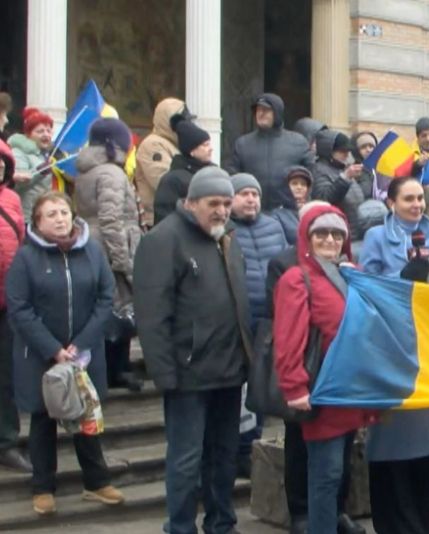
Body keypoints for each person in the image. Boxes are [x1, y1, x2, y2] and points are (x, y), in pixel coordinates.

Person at [133, 167, 252, 534]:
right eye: (213, 203)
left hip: (229, 371)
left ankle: (221, 523)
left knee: (224, 456)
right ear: (190, 203)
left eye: (226, 203)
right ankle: (181, 526)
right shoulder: (163, 240)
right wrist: (165, 374)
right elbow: (152, 316)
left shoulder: (226, 237)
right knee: (186, 460)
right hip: (188, 375)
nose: (221, 211)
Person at [6, 191, 124, 515]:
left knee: (86, 416)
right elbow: (19, 308)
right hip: (41, 355)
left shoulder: (92, 251)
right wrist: (53, 349)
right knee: (43, 420)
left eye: (63, 212)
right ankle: (43, 487)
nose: (60, 219)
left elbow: (106, 298)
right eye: (51, 214)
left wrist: (83, 342)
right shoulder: (26, 258)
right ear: (38, 222)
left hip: (84, 353)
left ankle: (96, 482)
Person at [273, 204, 375, 534]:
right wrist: (294, 386)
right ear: (307, 237)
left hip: (351, 391)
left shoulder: (350, 274)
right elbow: (289, 338)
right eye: (321, 233)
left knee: (338, 473)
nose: (330, 240)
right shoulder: (296, 279)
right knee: (325, 475)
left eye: (336, 234)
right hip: (323, 391)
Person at [359, 176, 429, 534]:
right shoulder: (376, 237)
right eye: (409, 199)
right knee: (394, 442)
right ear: (391, 203)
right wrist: (404, 277)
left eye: (420, 198)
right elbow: (367, 287)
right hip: (392, 348)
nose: (417, 204)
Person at [74, 118, 143, 392]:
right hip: (111, 246)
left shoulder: (86, 171)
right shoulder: (111, 174)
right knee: (120, 307)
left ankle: (109, 369)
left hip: (91, 244)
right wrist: (123, 260)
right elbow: (111, 220)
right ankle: (116, 370)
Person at [229, 172, 287, 478]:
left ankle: (254, 448)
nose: (251, 199)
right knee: (241, 391)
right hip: (240, 320)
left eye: (255, 194)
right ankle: (240, 450)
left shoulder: (273, 226)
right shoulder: (227, 231)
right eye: (244, 194)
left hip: (272, 318)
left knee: (262, 385)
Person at [0, 139, 31, 473]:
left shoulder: (11, 199)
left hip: (6, 301)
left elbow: (20, 244)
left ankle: (6, 441)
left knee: (5, 376)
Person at [228, 93, 314, 211]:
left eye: (266, 110)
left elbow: (311, 176)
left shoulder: (298, 142)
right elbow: (232, 176)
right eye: (258, 110)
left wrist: (305, 201)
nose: (261, 113)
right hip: (252, 211)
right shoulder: (242, 144)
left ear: (277, 113)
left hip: (288, 212)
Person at [134, 97, 193, 229]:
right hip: (157, 220)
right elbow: (165, 181)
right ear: (170, 123)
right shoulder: (152, 145)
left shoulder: (175, 144)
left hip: (176, 217)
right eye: (184, 122)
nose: (188, 126)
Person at [153, 119, 214, 225]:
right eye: (205, 145)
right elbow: (164, 218)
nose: (211, 149)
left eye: (209, 144)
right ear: (192, 151)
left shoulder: (215, 173)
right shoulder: (172, 180)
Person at [310, 130, 365, 232]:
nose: (346, 155)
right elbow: (324, 199)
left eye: (348, 151)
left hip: (354, 229)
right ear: (329, 151)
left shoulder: (342, 169)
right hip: (338, 231)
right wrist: (345, 178)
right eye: (342, 151)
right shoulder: (318, 170)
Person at [8, 107, 55, 221]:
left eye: (48, 131)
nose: (46, 134)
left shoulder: (44, 154)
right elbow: (17, 185)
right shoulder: (18, 153)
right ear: (28, 134)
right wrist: (40, 172)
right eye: (40, 131)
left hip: (42, 215)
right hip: (26, 216)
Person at [270, 166, 313, 246]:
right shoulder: (277, 216)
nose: (299, 187)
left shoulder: (314, 210)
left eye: (303, 184)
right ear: (285, 187)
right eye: (294, 183)